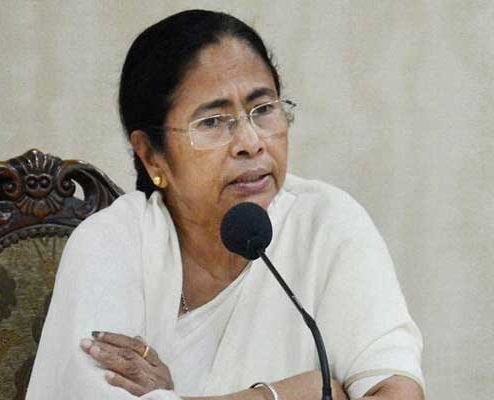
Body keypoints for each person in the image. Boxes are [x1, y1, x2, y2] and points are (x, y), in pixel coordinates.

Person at [26, 9, 425, 400]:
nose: (251, 142)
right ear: (151, 156)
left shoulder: (327, 224)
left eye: (264, 110)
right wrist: (295, 393)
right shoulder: (111, 244)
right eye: (213, 121)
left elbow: (398, 393)